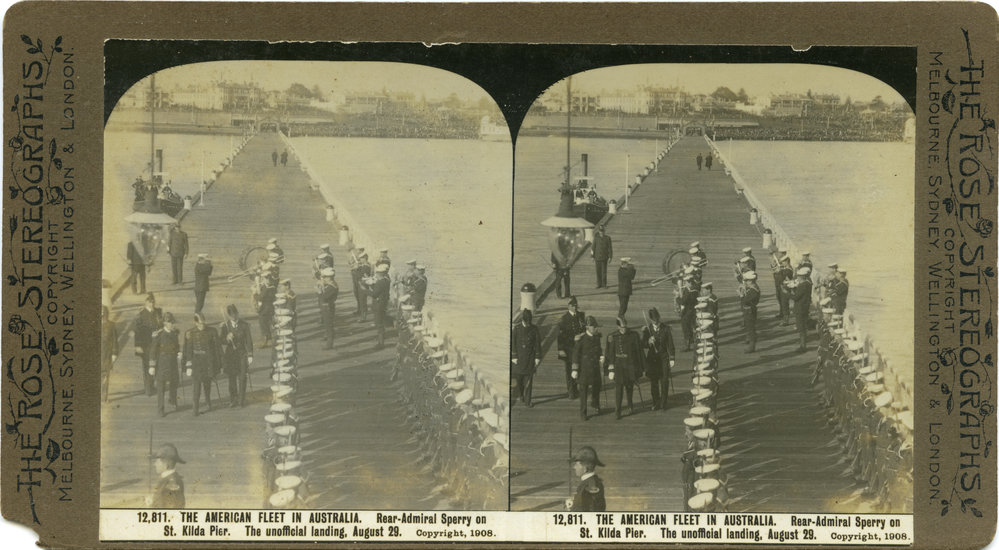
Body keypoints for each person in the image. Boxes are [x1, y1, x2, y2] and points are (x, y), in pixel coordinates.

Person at [183, 312, 222, 417]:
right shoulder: (190, 333)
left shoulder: (211, 331)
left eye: (203, 323)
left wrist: (219, 364)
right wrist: (188, 365)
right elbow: (188, 351)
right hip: (196, 363)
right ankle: (195, 409)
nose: (202, 325)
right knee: (196, 387)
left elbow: (217, 348)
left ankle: (208, 402)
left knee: (207, 385)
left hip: (208, 363)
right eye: (200, 323)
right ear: (195, 323)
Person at [605, 317, 644, 419]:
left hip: (630, 366)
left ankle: (630, 405)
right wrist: (610, 369)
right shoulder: (613, 336)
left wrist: (640, 368)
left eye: (625, 327)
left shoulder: (633, 335)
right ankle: (617, 411)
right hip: (619, 367)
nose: (624, 329)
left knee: (629, 388)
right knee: (618, 389)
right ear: (618, 327)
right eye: (622, 327)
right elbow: (610, 354)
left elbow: (638, 352)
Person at [219, 305, 253, 408]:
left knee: (242, 377)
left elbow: (249, 340)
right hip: (230, 355)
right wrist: (227, 338)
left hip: (242, 354)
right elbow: (221, 340)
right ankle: (233, 399)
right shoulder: (225, 326)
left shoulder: (244, 325)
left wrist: (250, 354)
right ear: (229, 316)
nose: (234, 317)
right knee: (232, 378)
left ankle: (241, 400)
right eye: (232, 316)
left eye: (236, 314)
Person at [642, 307, 675, 410]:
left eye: (657, 319)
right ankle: (656, 402)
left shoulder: (666, 328)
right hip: (652, 360)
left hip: (664, 357)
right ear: (651, 320)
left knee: (664, 381)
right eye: (653, 320)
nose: (656, 322)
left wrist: (672, 358)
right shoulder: (647, 329)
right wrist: (648, 341)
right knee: (654, 382)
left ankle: (663, 403)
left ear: (659, 318)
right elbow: (642, 344)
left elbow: (670, 344)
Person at [149, 312, 181, 417]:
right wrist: (152, 365)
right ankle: (160, 409)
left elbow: (177, 346)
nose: (172, 324)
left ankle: (172, 401)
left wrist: (178, 352)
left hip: (172, 362)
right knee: (161, 387)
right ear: (165, 323)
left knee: (174, 383)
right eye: (170, 322)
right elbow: (153, 350)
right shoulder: (159, 335)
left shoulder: (175, 333)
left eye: (172, 322)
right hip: (162, 363)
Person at [571, 316, 602, 421]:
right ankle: (583, 412)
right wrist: (574, 369)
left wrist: (601, 356)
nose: (596, 329)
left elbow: (599, 349)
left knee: (597, 387)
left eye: (596, 327)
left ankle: (595, 404)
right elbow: (575, 354)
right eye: (594, 327)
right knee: (583, 392)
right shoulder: (581, 339)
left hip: (595, 368)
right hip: (584, 369)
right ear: (588, 327)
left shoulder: (597, 337)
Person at [133, 294, 162, 396]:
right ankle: (148, 389)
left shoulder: (158, 312)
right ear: (145, 302)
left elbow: (161, 324)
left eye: (153, 301)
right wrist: (137, 346)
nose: (152, 303)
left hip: (157, 343)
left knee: (156, 364)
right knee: (146, 366)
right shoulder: (140, 315)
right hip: (146, 344)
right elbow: (137, 331)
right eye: (149, 301)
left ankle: (151, 385)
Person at [511, 309, 541, 407]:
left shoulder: (534, 329)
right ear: (523, 320)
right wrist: (514, 356)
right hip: (519, 358)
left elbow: (537, 344)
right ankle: (521, 394)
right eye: (526, 322)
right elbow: (513, 343)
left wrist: (537, 357)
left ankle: (528, 401)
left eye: (529, 322)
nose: (528, 324)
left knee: (528, 381)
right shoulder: (517, 329)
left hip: (529, 358)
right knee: (519, 380)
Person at [557, 297, 586, 399]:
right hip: (569, 348)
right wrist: (573, 338)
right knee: (570, 369)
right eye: (573, 305)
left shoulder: (581, 315)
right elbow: (561, 336)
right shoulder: (564, 319)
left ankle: (577, 387)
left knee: (580, 367)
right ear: (568, 306)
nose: (575, 307)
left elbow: (584, 327)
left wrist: (583, 334)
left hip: (580, 347)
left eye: (576, 305)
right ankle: (571, 391)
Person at [565, 446, 606, 512]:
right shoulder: (591, 481)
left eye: (576, 464)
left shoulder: (591, 484)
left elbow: (591, 512)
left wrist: (573, 509)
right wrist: (574, 503)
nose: (574, 467)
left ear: (585, 468)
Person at [147, 443, 186, 508]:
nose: (155, 464)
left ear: (165, 465)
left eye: (157, 461)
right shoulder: (169, 478)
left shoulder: (172, 482)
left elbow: (171, 509)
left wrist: (151, 505)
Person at [367, 263, 391, 348]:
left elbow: (374, 294)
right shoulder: (386, 280)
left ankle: (381, 343)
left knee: (379, 323)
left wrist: (365, 290)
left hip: (378, 304)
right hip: (383, 303)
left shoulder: (380, 282)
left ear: (379, 274)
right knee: (381, 322)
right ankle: (380, 339)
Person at [791, 267, 814, 353]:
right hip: (804, 307)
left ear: (803, 277)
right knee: (802, 326)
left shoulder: (802, 285)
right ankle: (802, 343)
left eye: (799, 276)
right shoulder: (808, 283)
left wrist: (788, 293)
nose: (798, 277)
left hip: (800, 308)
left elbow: (796, 297)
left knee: (801, 327)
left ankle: (803, 346)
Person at [317, 268, 339, 349]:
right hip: (326, 306)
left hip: (328, 307)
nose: (324, 279)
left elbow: (324, 297)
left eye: (325, 277)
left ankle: (329, 343)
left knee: (329, 325)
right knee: (327, 324)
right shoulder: (330, 285)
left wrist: (319, 289)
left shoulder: (332, 286)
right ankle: (328, 337)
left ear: (329, 277)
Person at [101, 306, 118, 403]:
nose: (102, 315)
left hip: (106, 354)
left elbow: (115, 340)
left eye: (104, 313)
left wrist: (114, 353)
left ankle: (104, 397)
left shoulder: (111, 325)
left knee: (105, 375)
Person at [740, 271, 761, 352]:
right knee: (749, 327)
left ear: (751, 281)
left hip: (750, 310)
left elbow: (745, 301)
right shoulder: (752, 288)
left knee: (751, 328)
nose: (746, 282)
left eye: (747, 281)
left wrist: (741, 295)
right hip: (748, 310)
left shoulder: (754, 290)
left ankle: (752, 347)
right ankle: (749, 340)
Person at [350, 251, 371, 320]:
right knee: (358, 298)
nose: (360, 260)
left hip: (363, 284)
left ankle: (363, 316)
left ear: (365, 258)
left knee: (362, 300)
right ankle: (360, 311)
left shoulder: (366, 266)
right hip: (359, 284)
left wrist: (356, 269)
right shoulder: (362, 265)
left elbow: (362, 275)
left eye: (361, 258)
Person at [774, 255, 794, 325]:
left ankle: (786, 320)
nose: (782, 263)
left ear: (787, 261)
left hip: (786, 288)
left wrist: (778, 272)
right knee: (781, 302)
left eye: (783, 262)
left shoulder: (789, 270)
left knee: (785, 304)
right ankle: (782, 314)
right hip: (781, 287)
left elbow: (782, 279)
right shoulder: (785, 268)